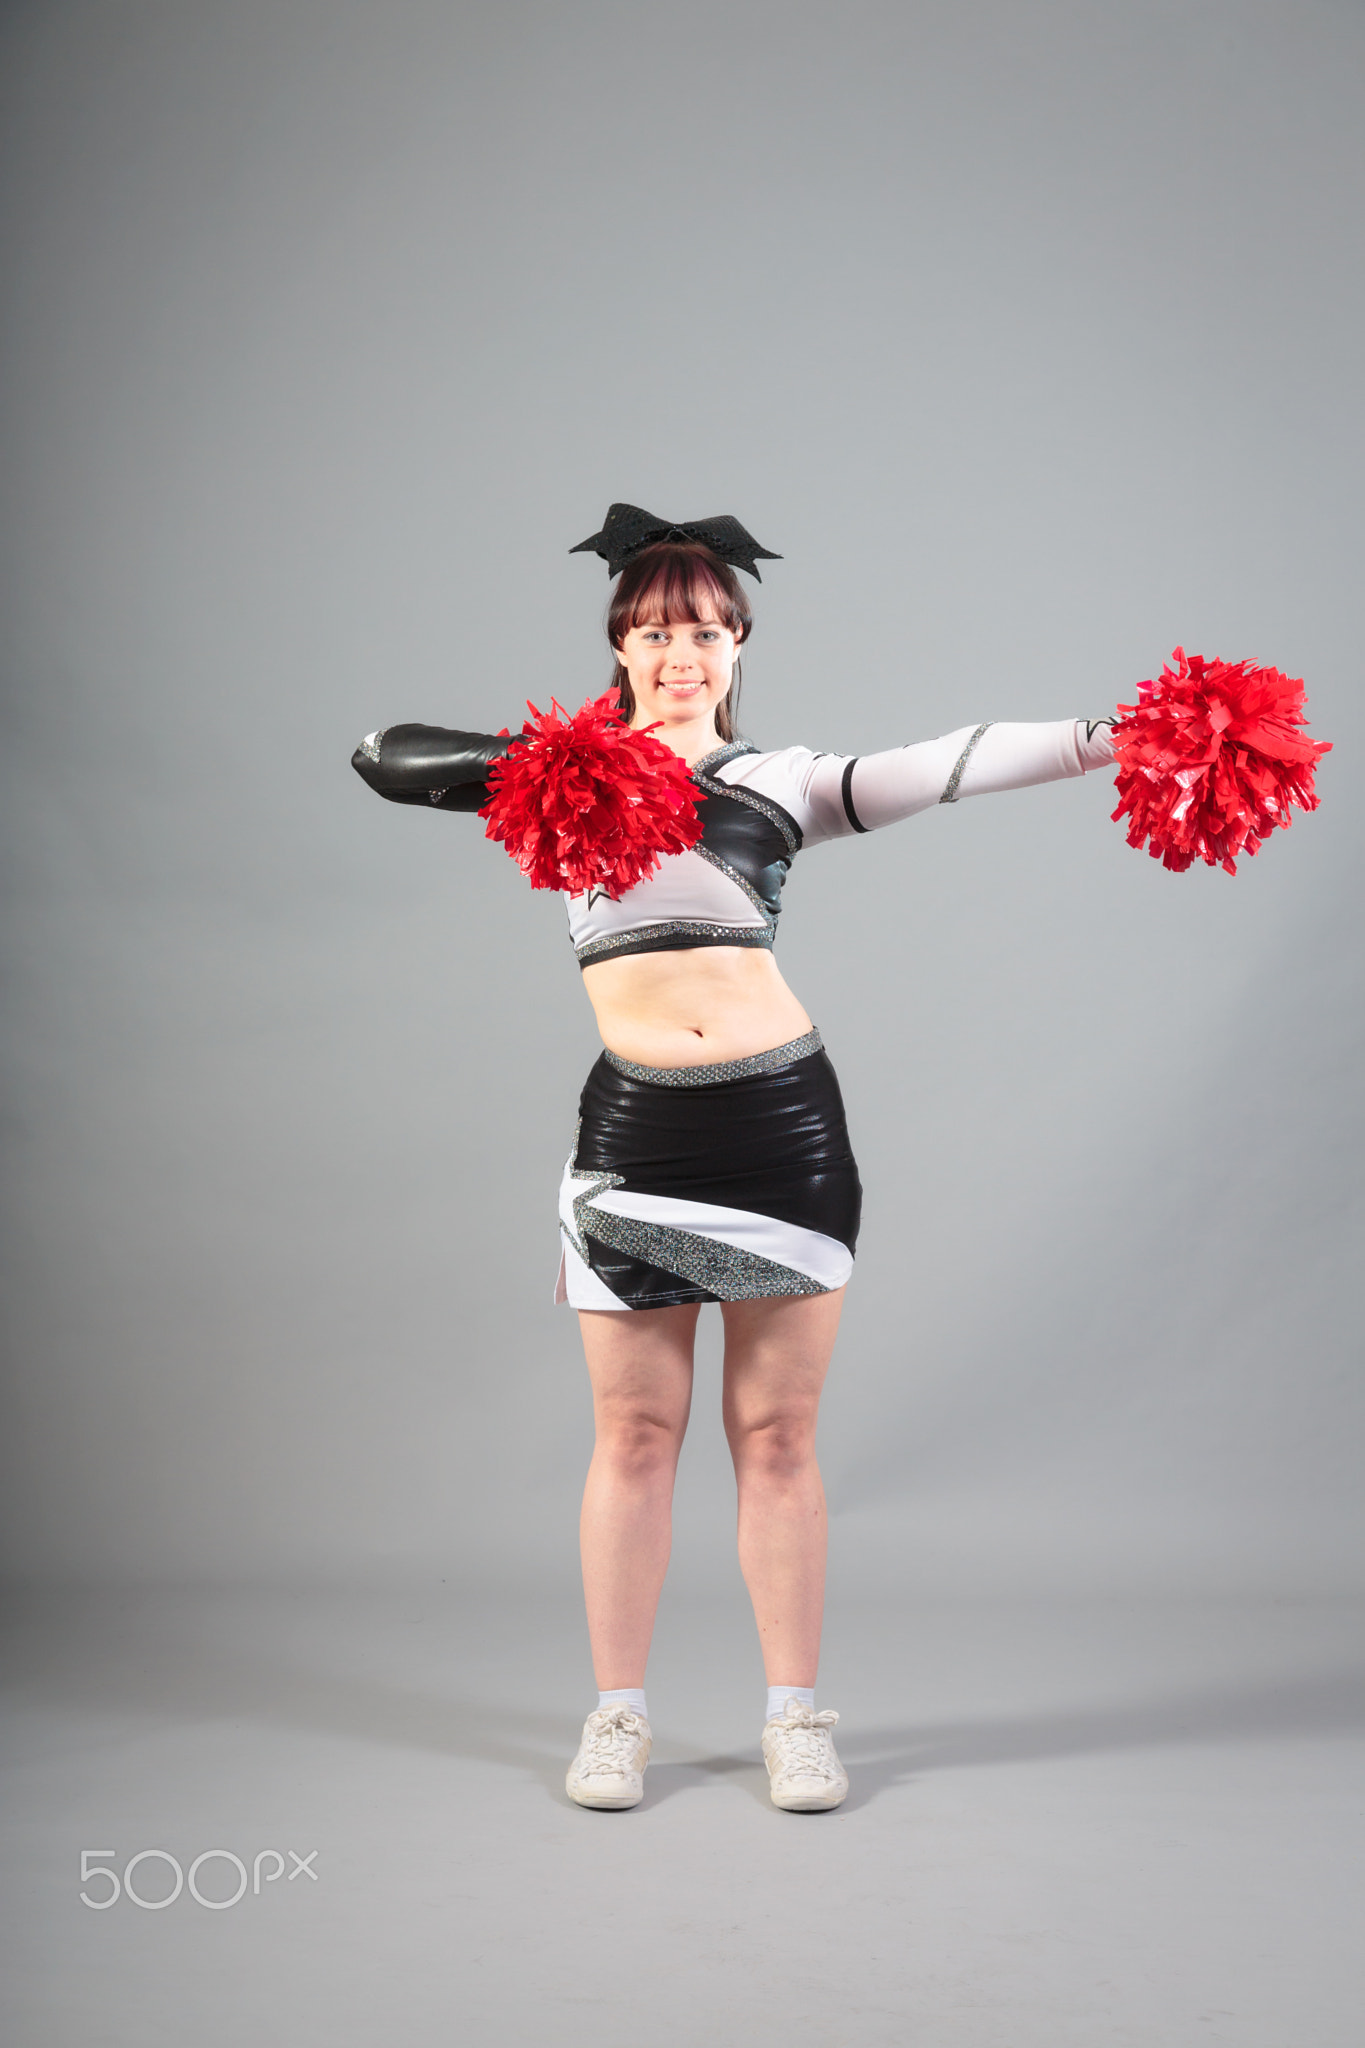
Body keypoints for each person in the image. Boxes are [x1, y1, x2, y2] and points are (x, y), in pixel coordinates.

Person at [351, 502, 1117, 1814]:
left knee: (775, 1438)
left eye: (705, 627)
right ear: (620, 644)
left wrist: (1118, 737)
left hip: (780, 1131)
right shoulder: (557, 782)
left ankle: (792, 1719)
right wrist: (556, 759)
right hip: (634, 1137)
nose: (682, 649)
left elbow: (955, 761)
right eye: (655, 629)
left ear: (740, 643)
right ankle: (616, 1718)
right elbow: (380, 756)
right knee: (635, 1435)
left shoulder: (785, 784)